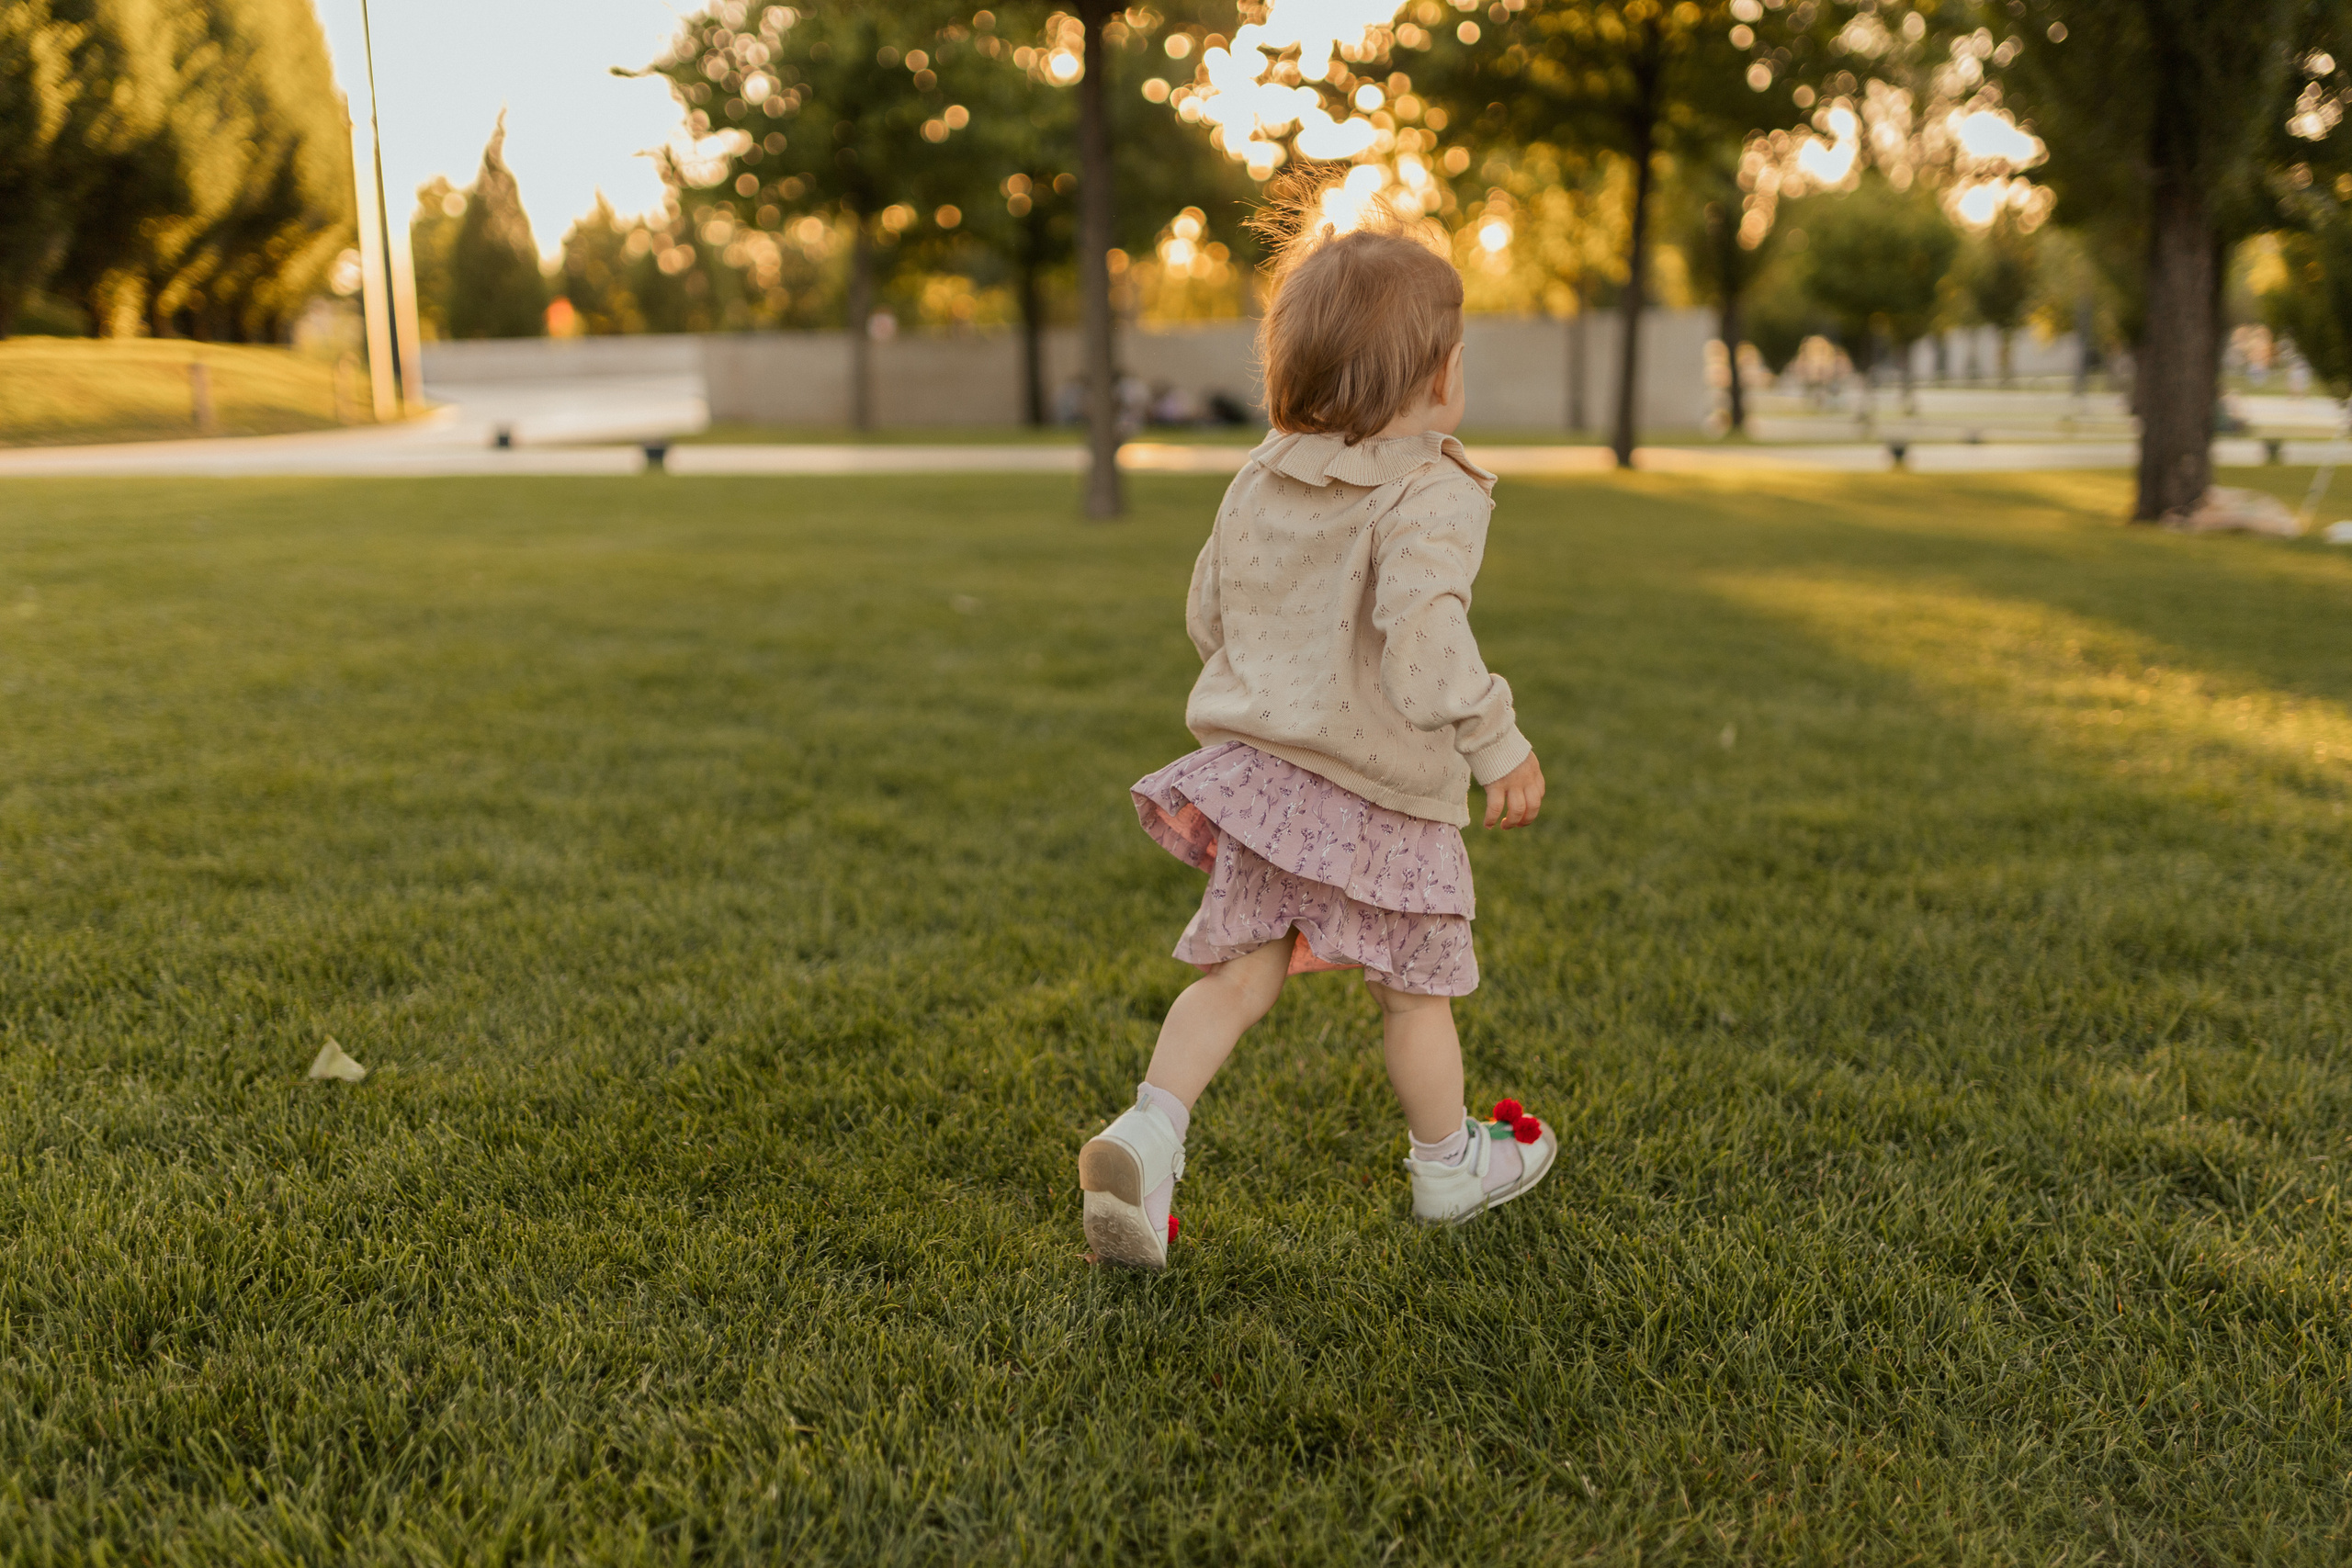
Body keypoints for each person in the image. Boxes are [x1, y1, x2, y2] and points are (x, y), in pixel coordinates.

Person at [1078, 203, 1553, 1270]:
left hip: (1266, 786)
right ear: (1435, 380)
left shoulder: (1261, 474)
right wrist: (1496, 739)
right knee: (1414, 993)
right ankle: (1447, 1166)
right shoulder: (1433, 487)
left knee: (1236, 979)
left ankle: (1149, 1132)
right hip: (1382, 794)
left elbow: (1210, 610)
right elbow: (1425, 637)